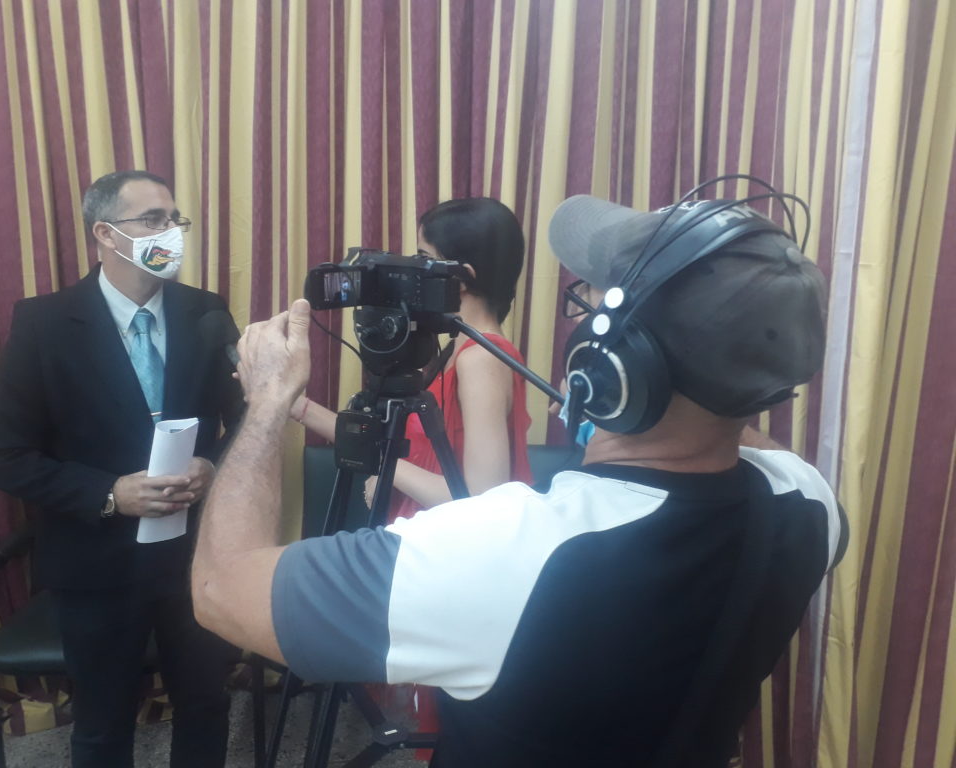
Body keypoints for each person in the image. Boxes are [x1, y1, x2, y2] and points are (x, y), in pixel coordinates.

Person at [191, 191, 847, 768]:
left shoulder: (507, 554)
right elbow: (738, 432)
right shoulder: (809, 505)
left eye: (595, 302)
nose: (582, 317)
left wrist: (269, 401)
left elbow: (222, 587)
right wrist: (712, 382)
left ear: (615, 361)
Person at [0, 170, 244, 768]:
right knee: (102, 725)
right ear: (104, 233)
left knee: (206, 705)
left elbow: (249, 417)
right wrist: (108, 493)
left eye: (175, 219)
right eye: (152, 220)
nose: (170, 232)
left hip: (195, 555)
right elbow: (1, 456)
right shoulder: (44, 324)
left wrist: (211, 465)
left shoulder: (205, 311)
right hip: (96, 564)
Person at [293, 197, 533, 517]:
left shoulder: (480, 359)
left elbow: (482, 498)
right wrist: (293, 404)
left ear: (460, 278)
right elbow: (385, 443)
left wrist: (388, 468)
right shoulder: (457, 350)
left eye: (424, 258)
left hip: (450, 545)